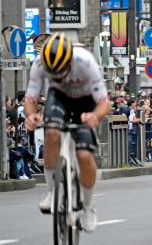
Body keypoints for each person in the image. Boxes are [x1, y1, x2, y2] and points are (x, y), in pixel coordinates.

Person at [24, 33, 111, 233]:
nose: (58, 76)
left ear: (70, 61)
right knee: (51, 133)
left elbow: (105, 103)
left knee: (84, 154)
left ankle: (88, 207)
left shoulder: (86, 62)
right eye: (53, 73)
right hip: (60, 98)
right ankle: (52, 192)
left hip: (87, 101)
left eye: (61, 71)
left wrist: (95, 117)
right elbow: (30, 99)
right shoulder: (39, 64)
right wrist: (30, 117)